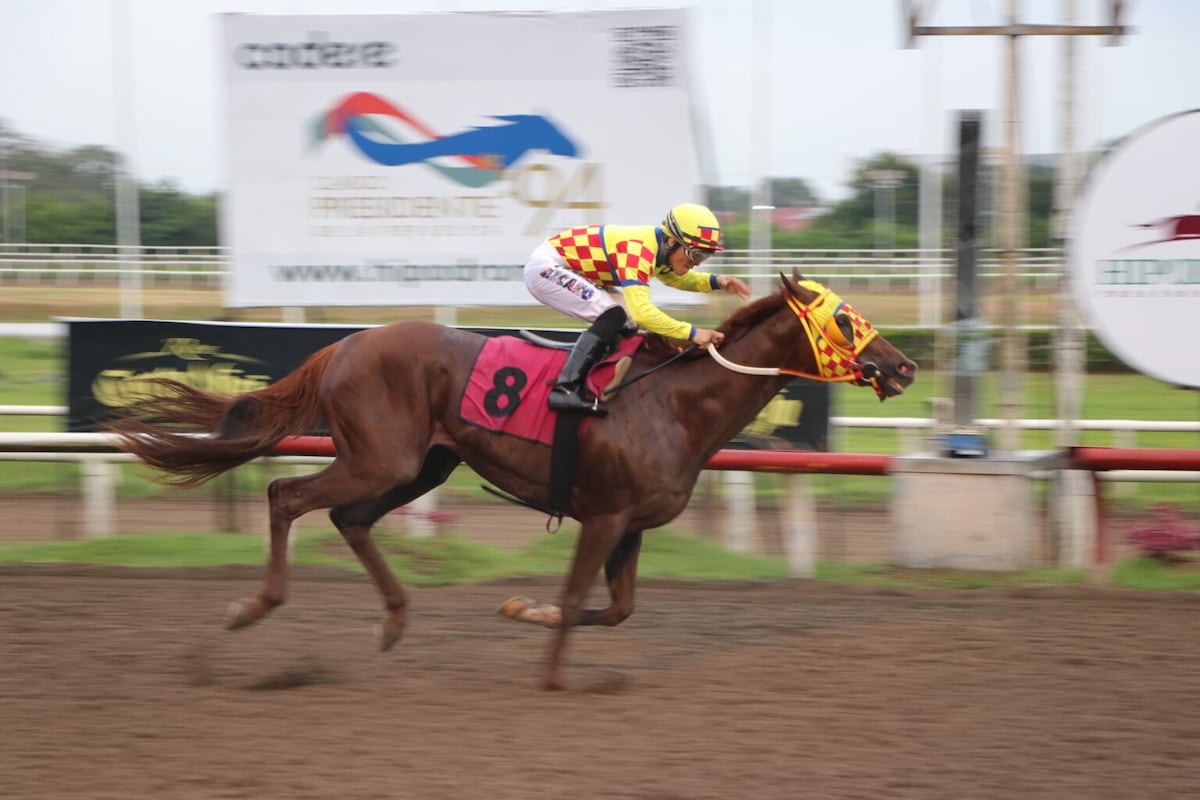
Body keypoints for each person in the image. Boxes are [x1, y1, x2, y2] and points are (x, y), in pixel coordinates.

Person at [523, 202, 752, 415]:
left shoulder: (661, 249)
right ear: (672, 241)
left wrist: (717, 281)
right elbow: (643, 312)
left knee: (627, 323)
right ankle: (565, 388)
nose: (697, 262)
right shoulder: (638, 250)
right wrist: (692, 333)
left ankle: (600, 376)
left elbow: (676, 278)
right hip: (546, 267)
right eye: (696, 254)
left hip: (570, 268)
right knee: (615, 315)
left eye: (705, 255)